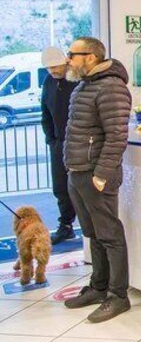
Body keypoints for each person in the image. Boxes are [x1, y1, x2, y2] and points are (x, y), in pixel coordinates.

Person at [61, 37, 132, 323]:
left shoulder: (111, 87)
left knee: (110, 235)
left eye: (72, 54)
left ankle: (118, 295)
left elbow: (117, 136)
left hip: (95, 174)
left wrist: (101, 174)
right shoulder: (85, 85)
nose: (68, 59)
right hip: (77, 171)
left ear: (90, 57)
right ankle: (99, 287)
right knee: (93, 233)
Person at [40, 46, 77, 245]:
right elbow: (45, 113)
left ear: (66, 62)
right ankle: (66, 226)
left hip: (79, 143)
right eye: (49, 68)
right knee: (60, 187)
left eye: (55, 67)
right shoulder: (48, 82)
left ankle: (88, 229)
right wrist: (51, 140)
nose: (53, 71)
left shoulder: (78, 80)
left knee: (81, 187)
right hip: (58, 143)